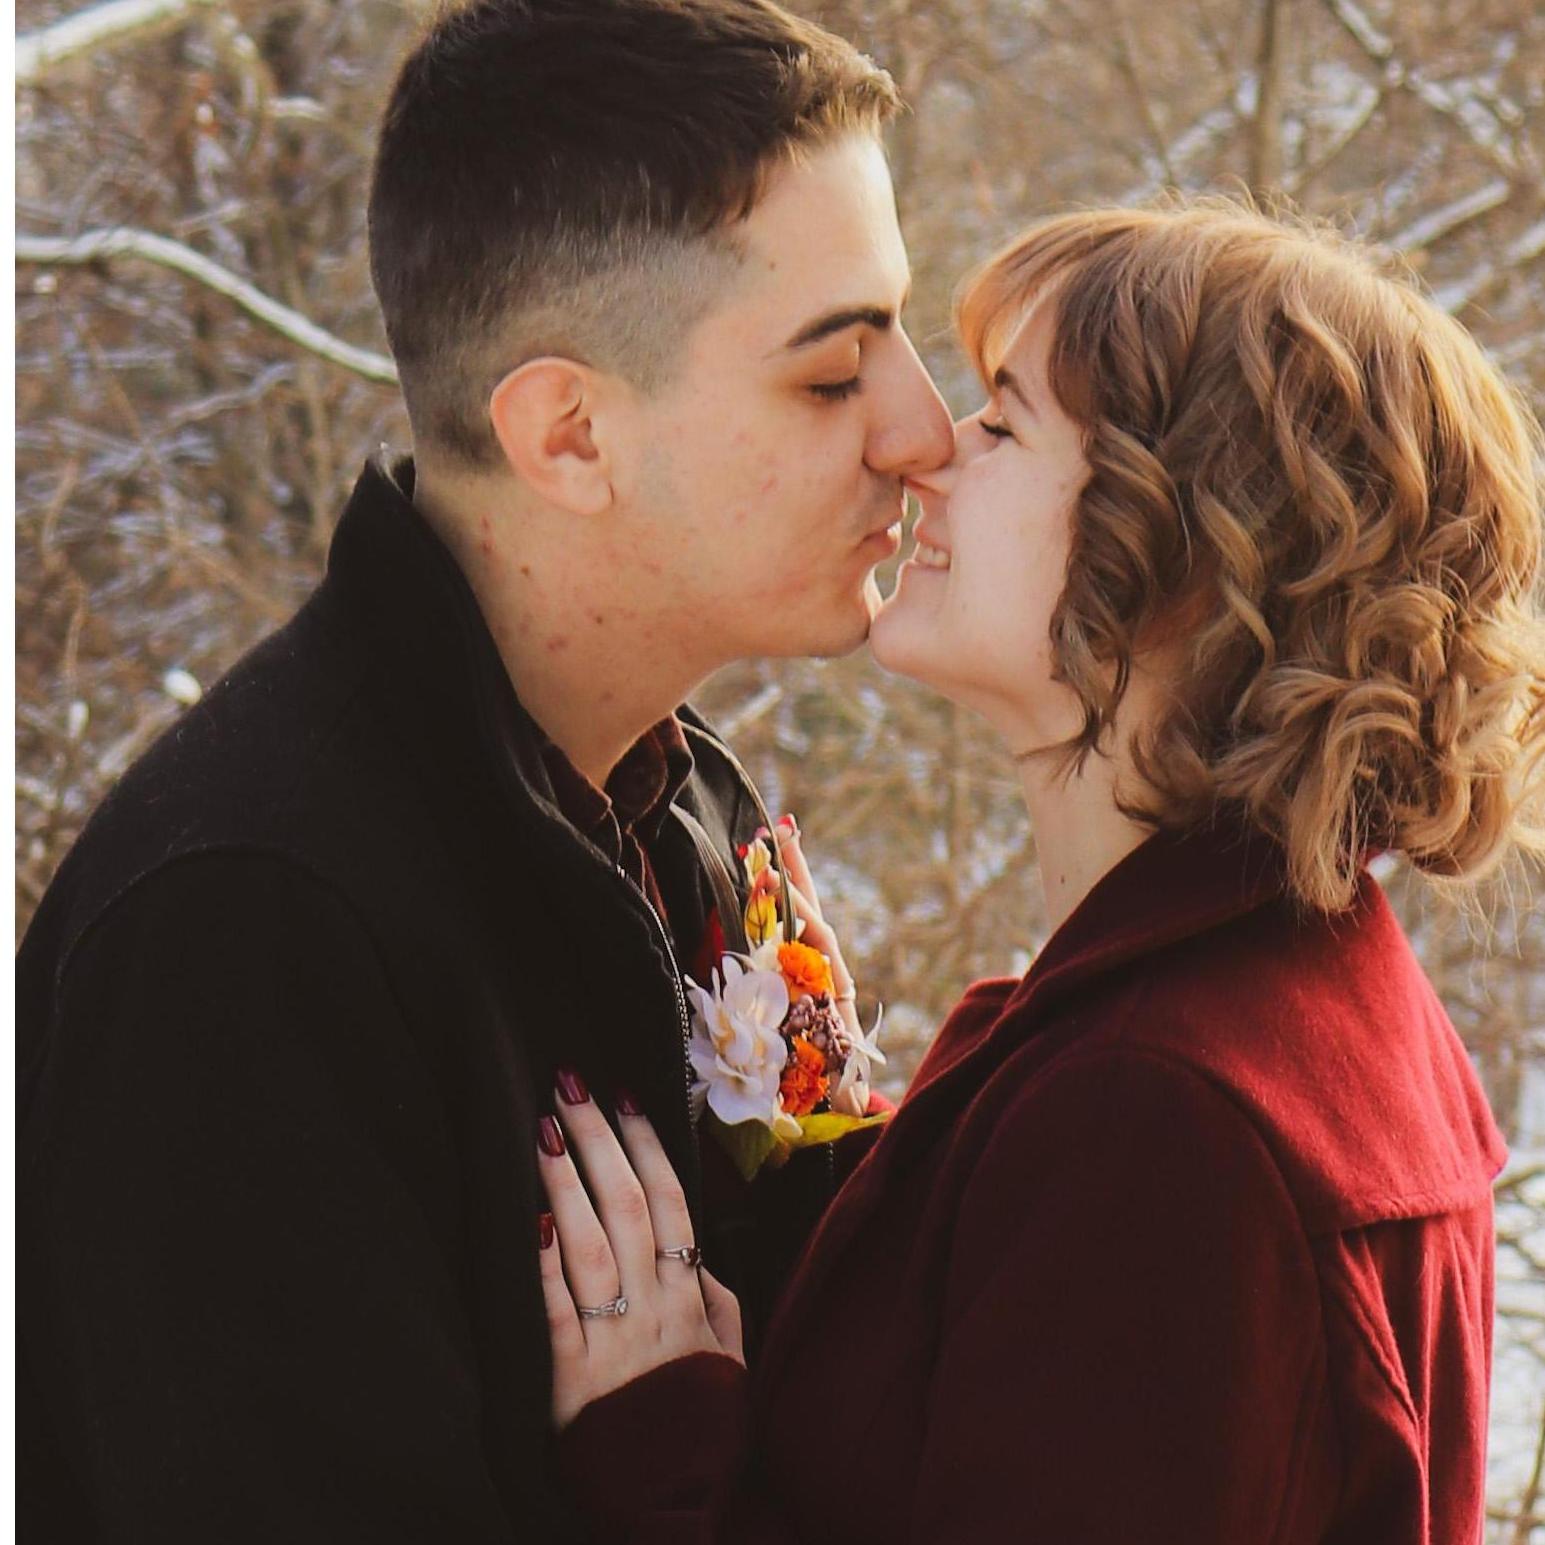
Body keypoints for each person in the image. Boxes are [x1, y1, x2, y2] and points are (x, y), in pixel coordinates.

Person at [15, 0, 954, 1537]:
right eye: (833, 372)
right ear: (567, 434)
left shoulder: (681, 802)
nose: (922, 428)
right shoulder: (244, 934)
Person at [535, 199, 1544, 1541]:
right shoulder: (1306, 1013)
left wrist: (661, 1463)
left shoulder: (1158, 1115)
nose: (926, 456)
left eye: (1003, 425)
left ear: (1186, 559)